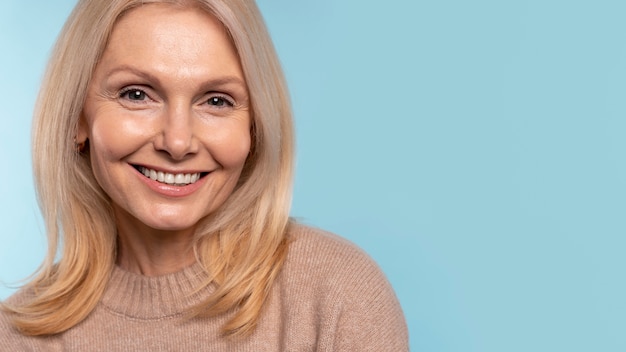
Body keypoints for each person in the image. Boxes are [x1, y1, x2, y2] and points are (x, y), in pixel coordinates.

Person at [0, 0, 408, 350]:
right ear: (77, 118)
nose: (177, 143)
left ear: (254, 127)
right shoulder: (14, 337)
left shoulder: (337, 296)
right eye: (137, 94)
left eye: (216, 100)